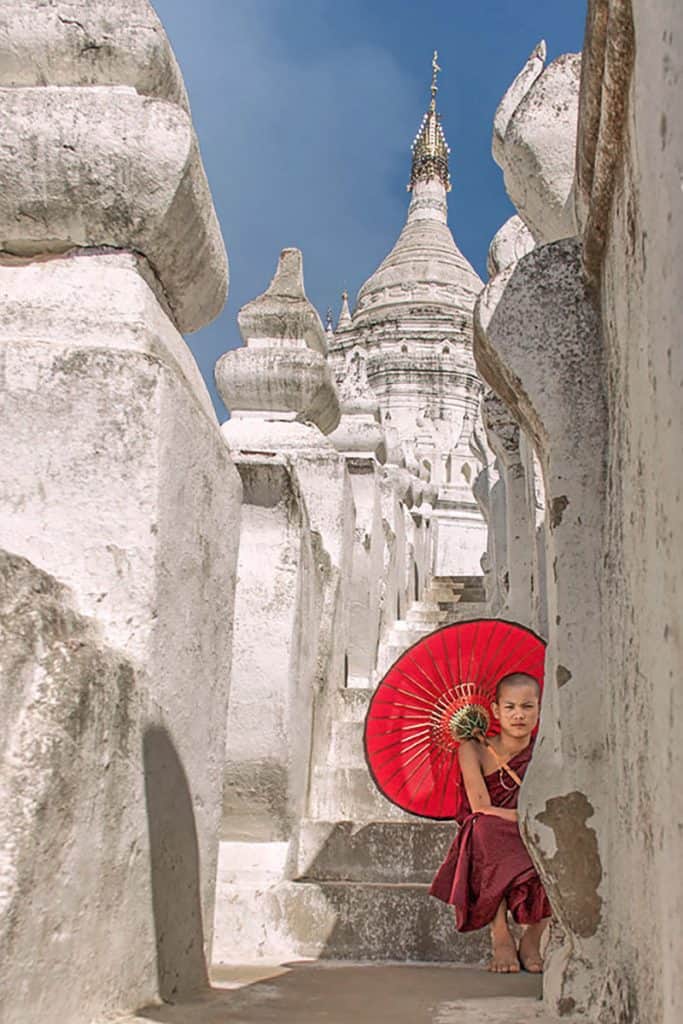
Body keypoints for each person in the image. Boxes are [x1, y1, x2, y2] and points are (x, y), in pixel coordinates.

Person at [429, 672, 552, 973]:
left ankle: (533, 936)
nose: (519, 715)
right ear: (496, 710)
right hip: (497, 829)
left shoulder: (546, 749)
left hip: (533, 826)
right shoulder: (472, 749)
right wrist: (525, 819)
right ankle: (500, 935)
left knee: (557, 832)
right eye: (510, 707)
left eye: (527, 707)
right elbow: (481, 807)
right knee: (480, 828)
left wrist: (533, 820)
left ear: (540, 709)